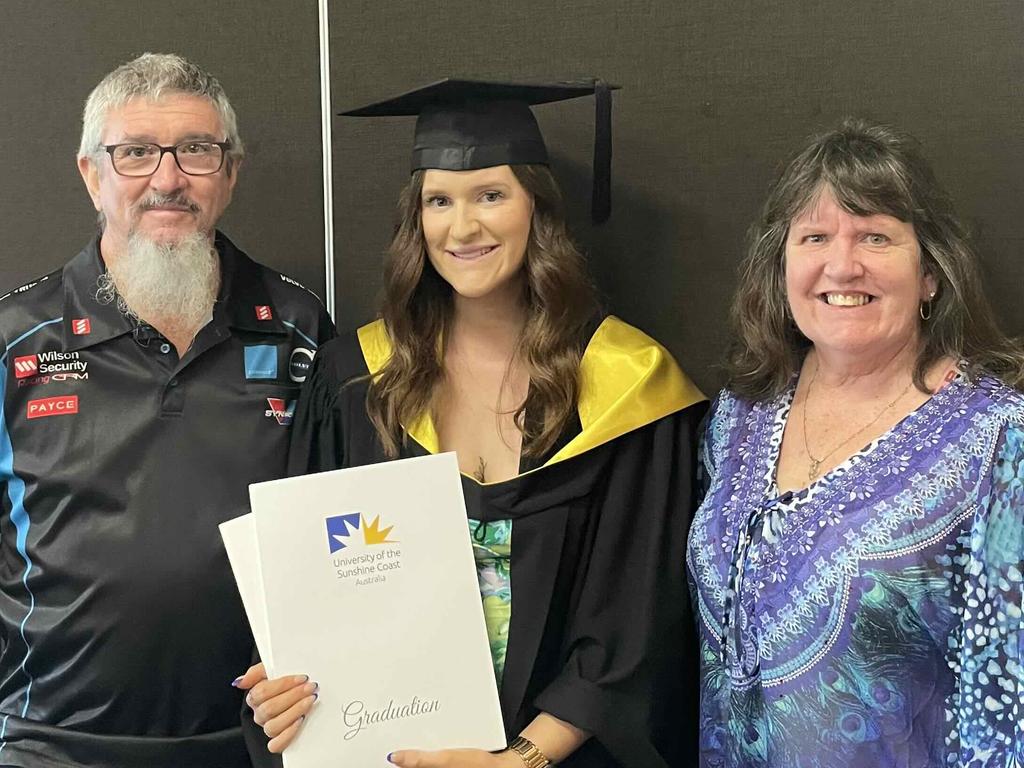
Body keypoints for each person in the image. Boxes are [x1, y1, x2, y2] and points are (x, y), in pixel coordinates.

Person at [236, 79, 707, 768]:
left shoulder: (628, 384)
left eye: (491, 195)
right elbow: (306, 590)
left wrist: (520, 761)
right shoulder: (357, 379)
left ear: (537, 209)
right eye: (439, 201)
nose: (463, 228)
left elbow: (633, 625)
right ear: (416, 220)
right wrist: (281, 679)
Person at [0, 53, 334, 767]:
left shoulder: (300, 328)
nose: (168, 178)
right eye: (136, 153)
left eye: (196, 151)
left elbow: (339, 529)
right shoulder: (13, 341)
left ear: (231, 172)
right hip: (52, 743)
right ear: (92, 174)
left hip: (259, 739)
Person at [688, 118, 1024, 767]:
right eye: (815, 236)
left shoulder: (999, 444)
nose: (842, 264)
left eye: (875, 236)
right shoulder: (738, 419)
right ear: (781, 266)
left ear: (931, 273)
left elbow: (1007, 711)